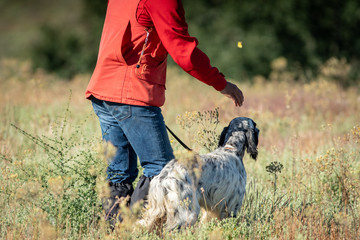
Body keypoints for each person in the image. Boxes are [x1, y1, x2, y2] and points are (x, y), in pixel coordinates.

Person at [85, 0, 244, 225]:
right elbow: (182, 49)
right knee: (164, 171)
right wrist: (221, 83)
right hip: (132, 91)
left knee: (119, 175)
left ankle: (115, 231)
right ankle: (143, 230)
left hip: (104, 88)